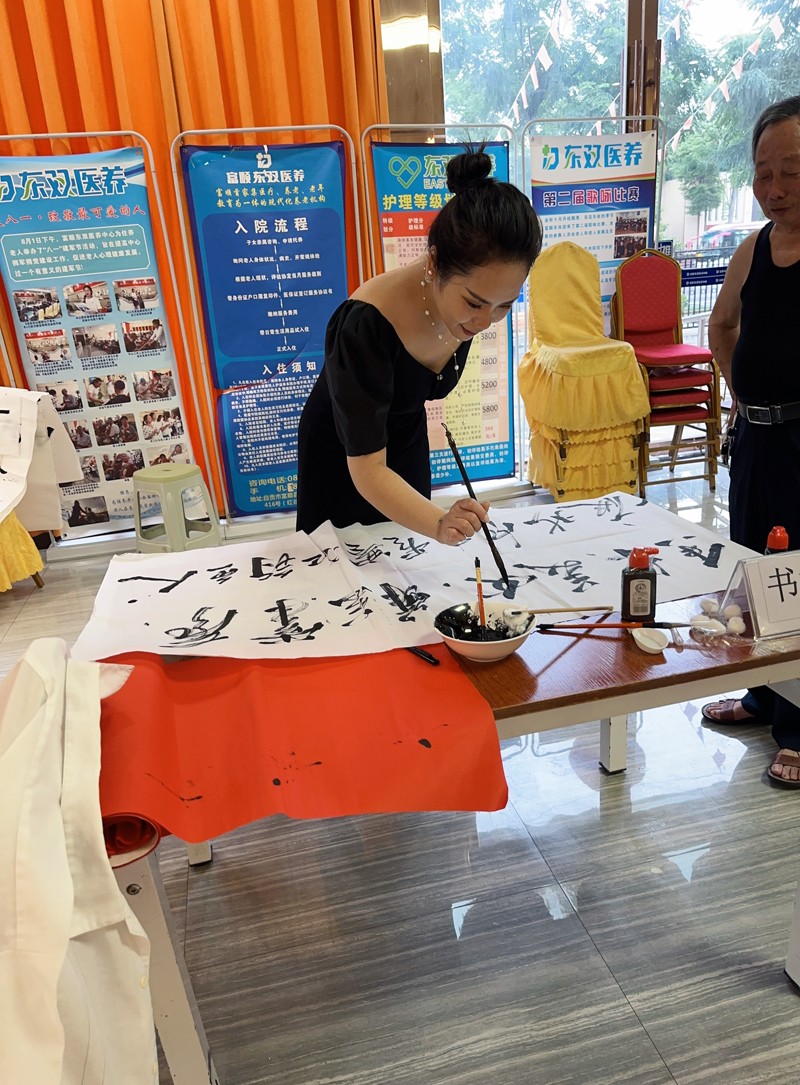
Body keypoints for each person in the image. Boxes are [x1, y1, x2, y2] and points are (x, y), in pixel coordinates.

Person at [295, 148, 542, 543]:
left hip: (405, 437)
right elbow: (367, 469)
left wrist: (434, 521)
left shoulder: (466, 303)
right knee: (347, 561)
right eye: (474, 303)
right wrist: (439, 523)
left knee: (408, 556)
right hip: (347, 452)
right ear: (434, 263)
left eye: (505, 306)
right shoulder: (366, 324)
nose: (484, 322)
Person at [704, 96, 800, 787]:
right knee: (753, 571)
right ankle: (764, 697)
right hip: (756, 441)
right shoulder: (755, 247)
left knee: (797, 577)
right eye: (764, 172)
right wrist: (742, 396)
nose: (775, 187)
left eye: (792, 170)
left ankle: (799, 728)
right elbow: (721, 325)